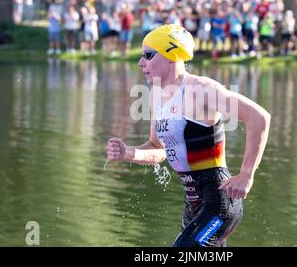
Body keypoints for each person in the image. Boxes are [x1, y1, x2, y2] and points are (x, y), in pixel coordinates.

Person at [106, 24, 271, 247]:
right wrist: (128, 153)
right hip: (193, 204)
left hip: (219, 202)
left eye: (148, 55)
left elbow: (259, 117)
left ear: (170, 55)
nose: (141, 63)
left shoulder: (199, 89)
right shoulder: (156, 95)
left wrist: (246, 174)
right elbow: (158, 148)